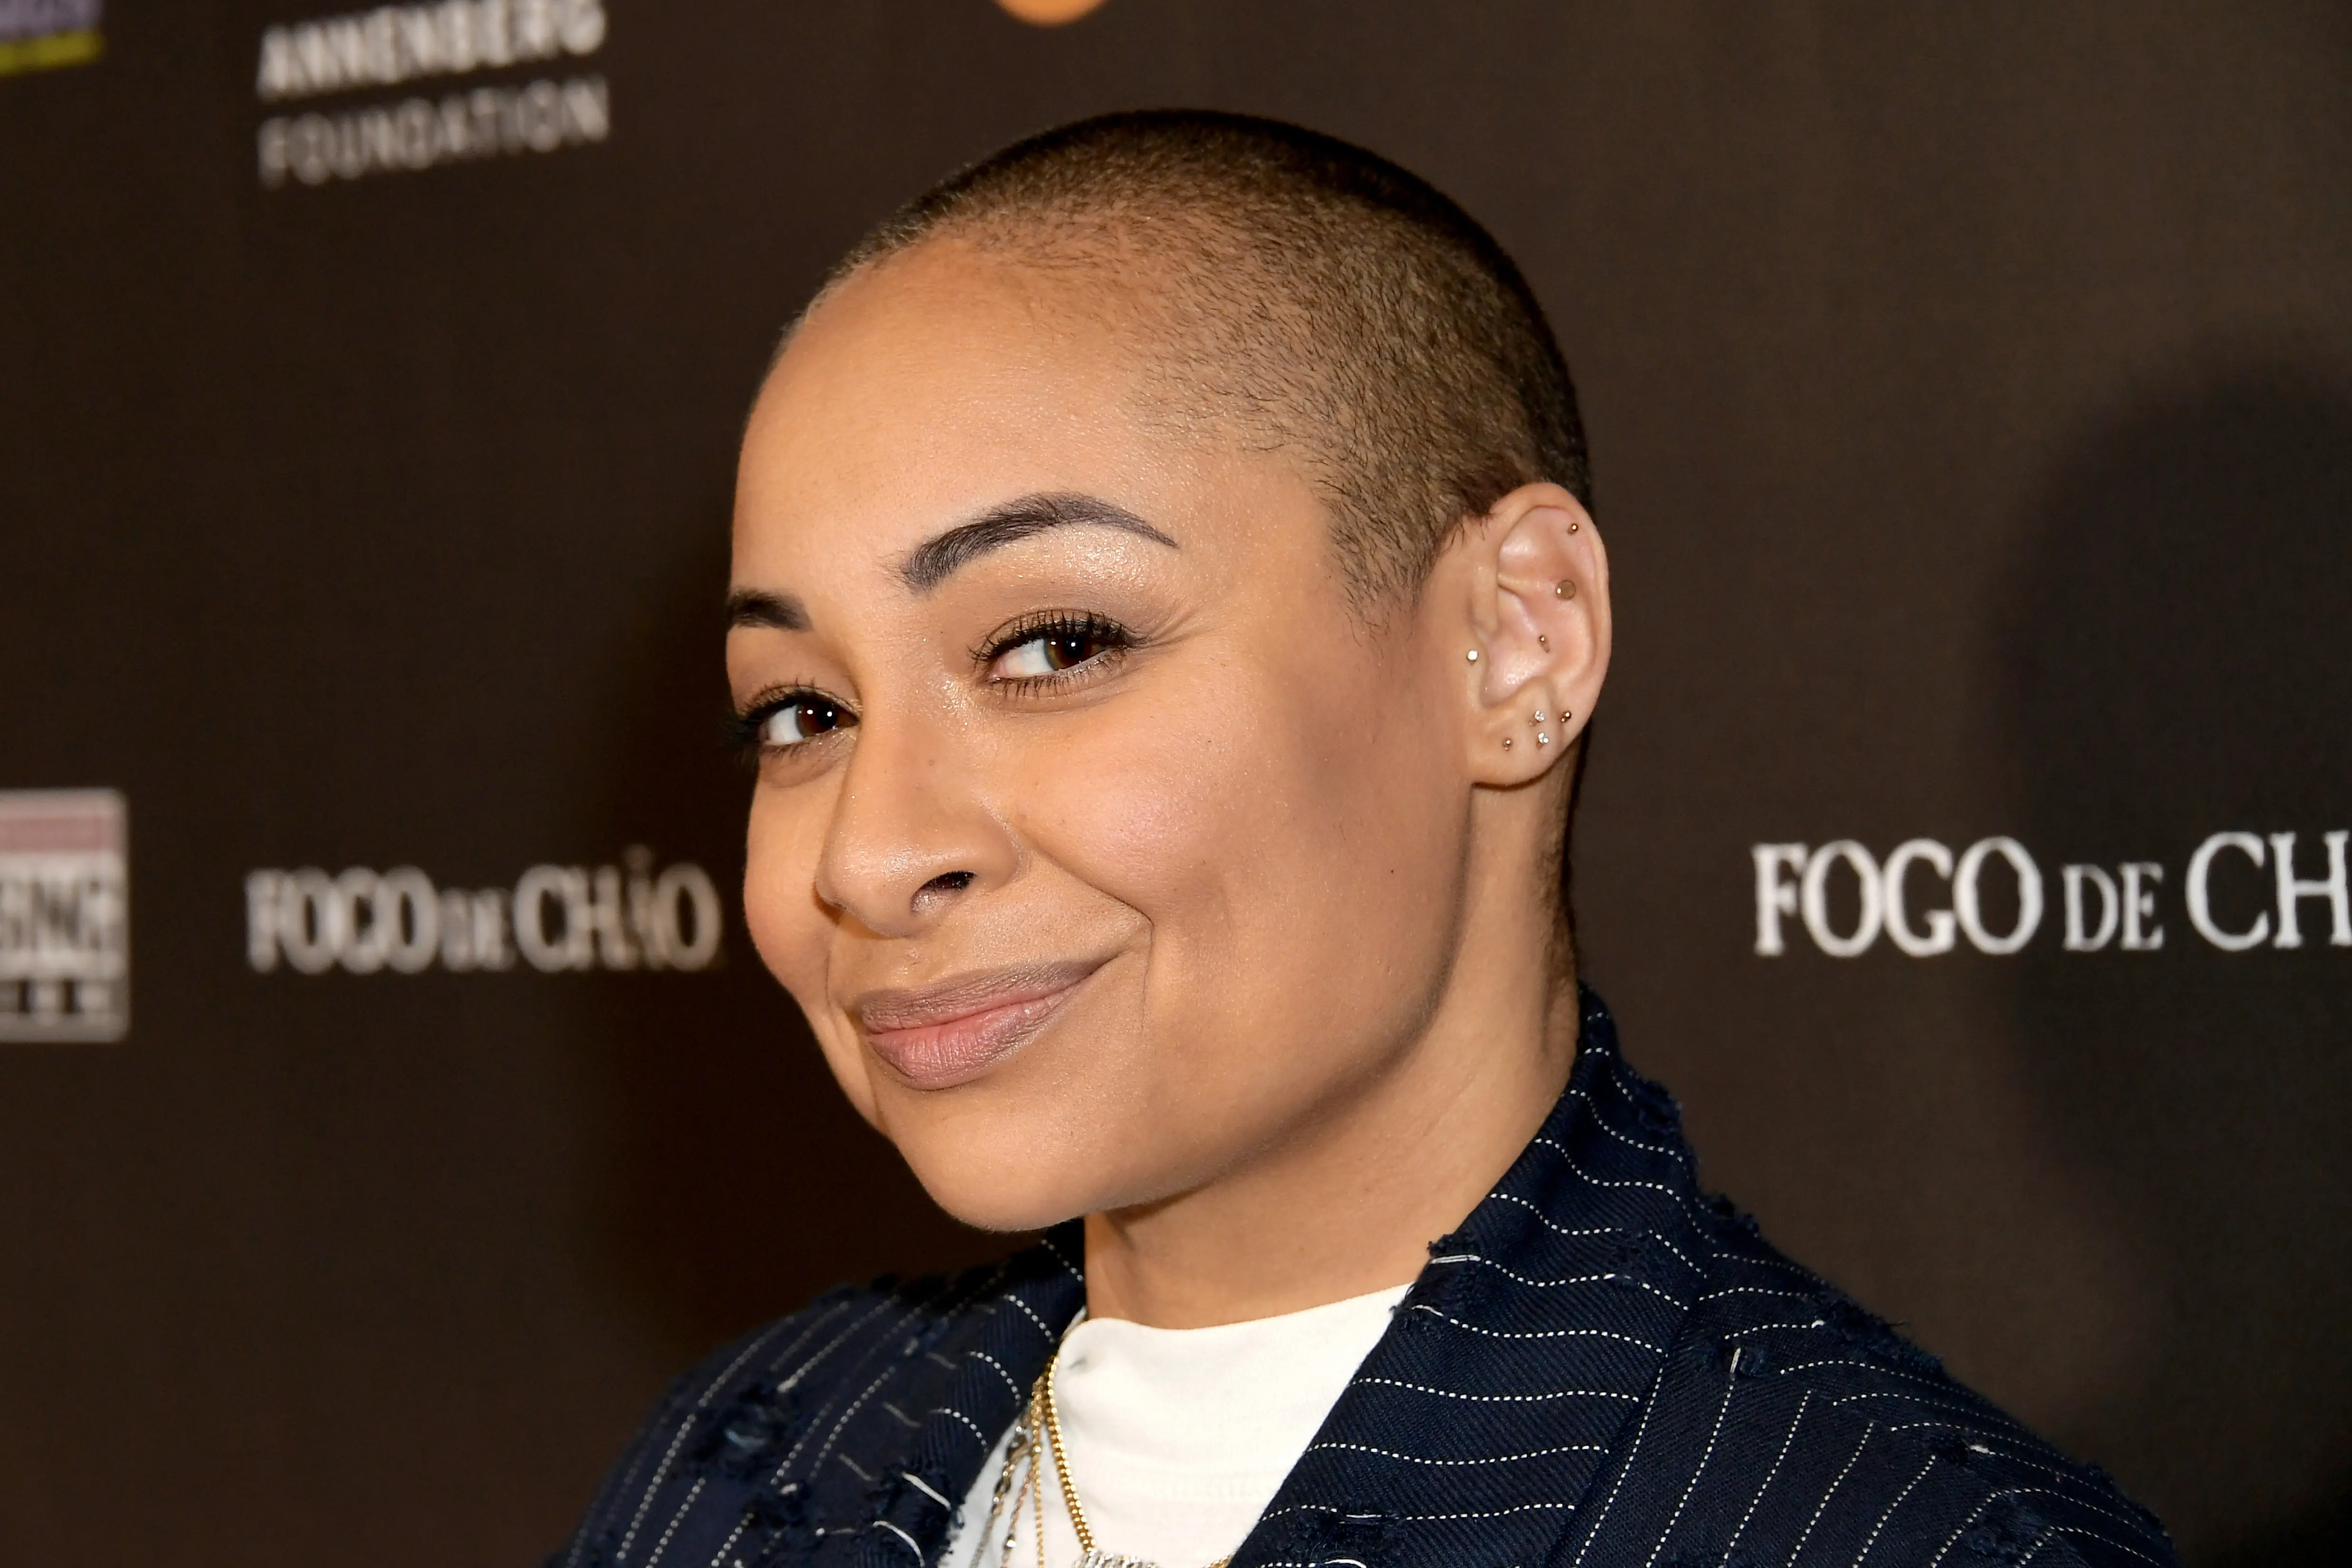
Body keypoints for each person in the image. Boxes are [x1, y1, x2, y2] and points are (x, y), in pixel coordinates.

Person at [552, 111, 2176, 1568]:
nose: (867, 853)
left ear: (1516, 641)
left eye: (1053, 643)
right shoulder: (745, 1457)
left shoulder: (1913, 1538)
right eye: (799, 713)